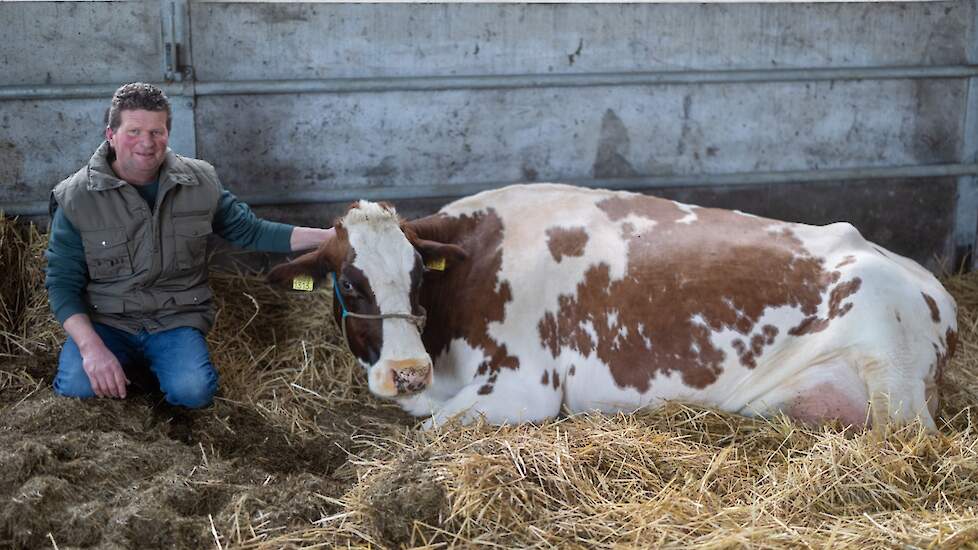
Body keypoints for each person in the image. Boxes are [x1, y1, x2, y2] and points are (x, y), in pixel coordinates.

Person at [45, 82, 334, 409]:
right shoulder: (77, 197)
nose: (146, 143)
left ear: (168, 133)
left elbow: (250, 231)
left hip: (174, 319)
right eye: (134, 131)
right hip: (107, 322)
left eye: (157, 132)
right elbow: (62, 284)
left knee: (193, 392)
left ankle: (152, 372)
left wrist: (329, 237)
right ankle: (121, 367)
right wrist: (91, 349)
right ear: (110, 134)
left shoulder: (200, 182)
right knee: (75, 388)